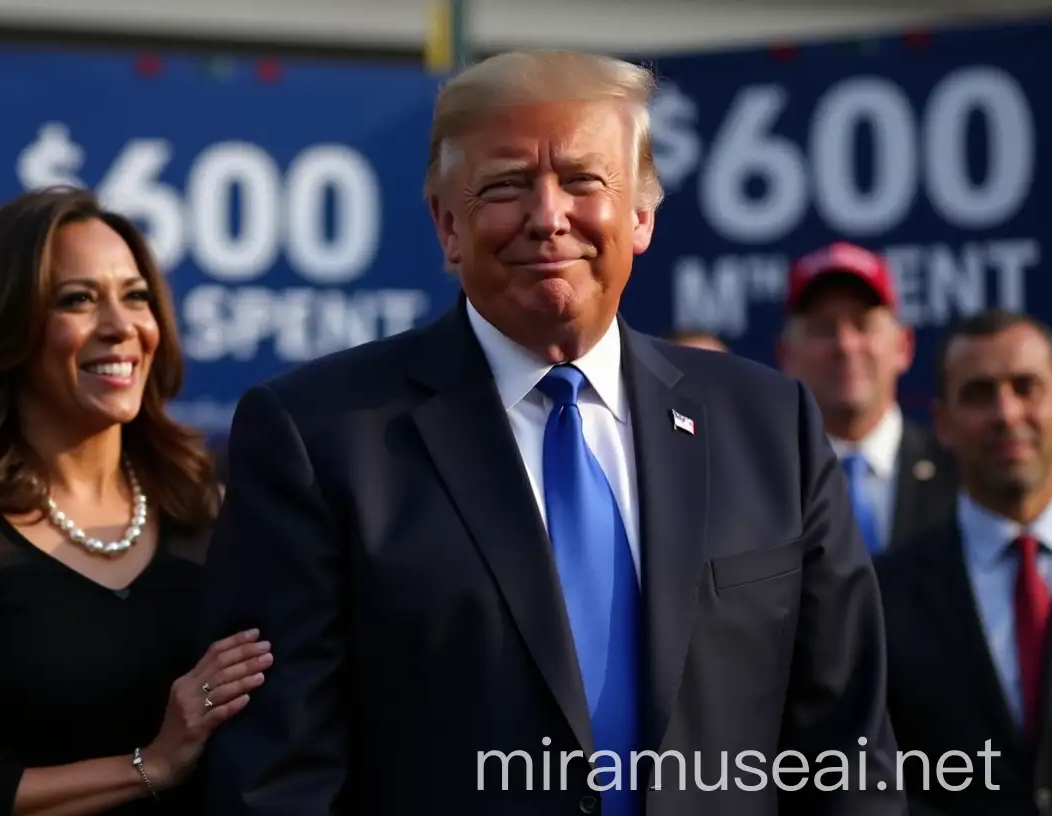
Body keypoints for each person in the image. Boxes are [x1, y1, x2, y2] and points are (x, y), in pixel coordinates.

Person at [202, 49, 902, 815]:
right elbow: (277, 779)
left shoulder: (771, 427)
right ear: (447, 226)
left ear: (640, 215)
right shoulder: (319, 437)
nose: (547, 216)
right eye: (504, 186)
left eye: (582, 180)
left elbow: (846, 755)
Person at [0, 187, 270, 816]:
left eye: (135, 296)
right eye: (79, 300)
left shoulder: (206, 511)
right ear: (3, 327)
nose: (121, 327)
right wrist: (148, 765)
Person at [877, 309, 1052, 813]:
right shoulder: (883, 597)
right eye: (979, 393)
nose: (1006, 413)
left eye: (1027, 387)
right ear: (943, 423)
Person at [777, 241, 957, 552]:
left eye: (863, 325)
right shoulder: (758, 482)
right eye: (823, 328)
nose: (845, 345)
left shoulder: (960, 471)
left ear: (904, 346)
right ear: (786, 354)